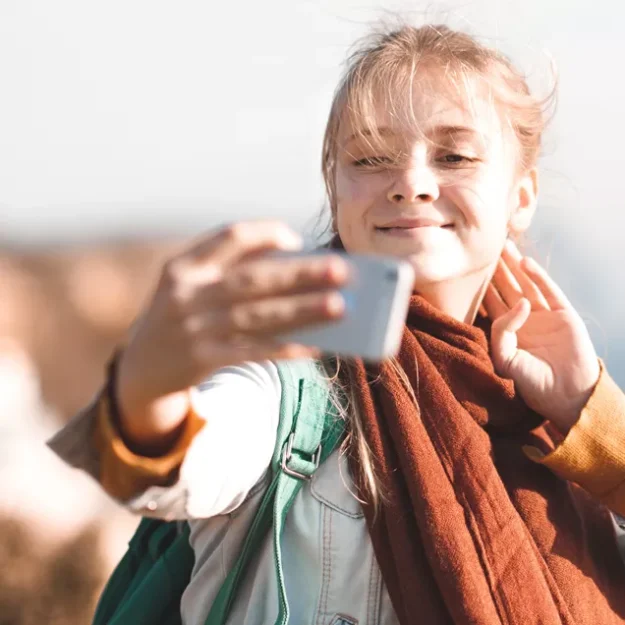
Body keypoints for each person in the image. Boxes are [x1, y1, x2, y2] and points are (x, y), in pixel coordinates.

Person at [49, 23, 625, 625]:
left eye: (453, 155)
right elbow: (186, 463)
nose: (410, 185)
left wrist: (597, 424)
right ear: (334, 184)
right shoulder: (288, 378)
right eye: (371, 157)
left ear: (521, 195)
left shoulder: (564, 430)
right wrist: (150, 382)